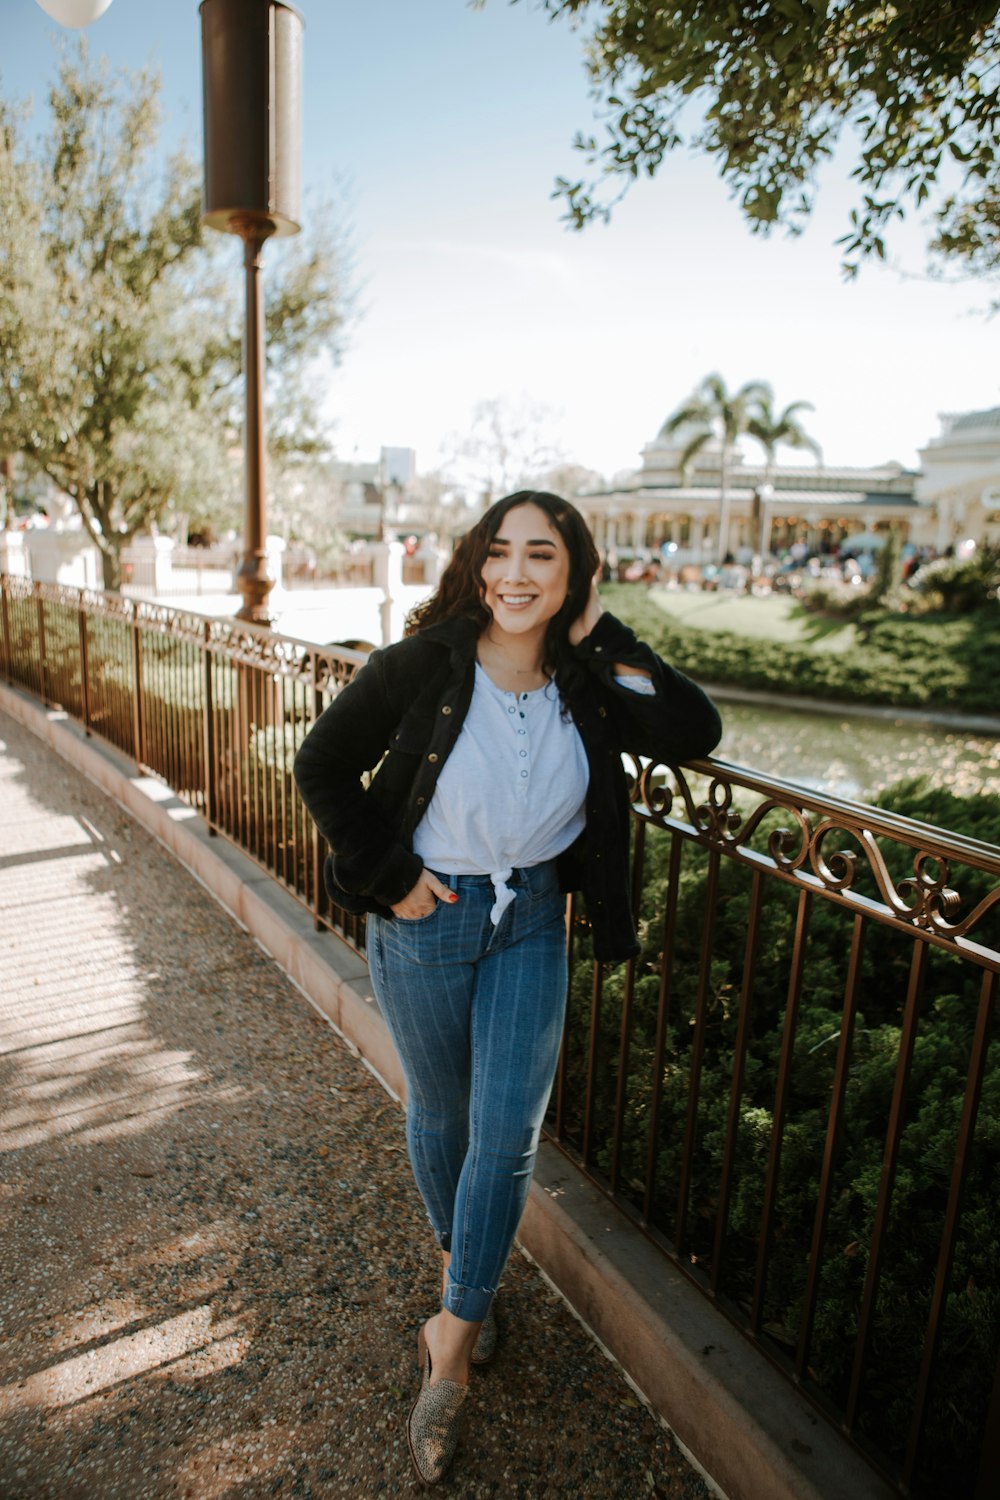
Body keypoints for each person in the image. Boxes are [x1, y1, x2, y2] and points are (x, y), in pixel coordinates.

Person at [292, 490, 722, 1484]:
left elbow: (691, 729)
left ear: (571, 574)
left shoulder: (585, 676)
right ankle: (470, 1268)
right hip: (427, 913)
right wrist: (386, 875)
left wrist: (600, 629)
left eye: (542, 556)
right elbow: (323, 766)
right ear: (476, 565)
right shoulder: (424, 663)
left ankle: (453, 1337)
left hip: (532, 915)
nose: (516, 574)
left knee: (509, 1131)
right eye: (500, 553)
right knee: (442, 1112)